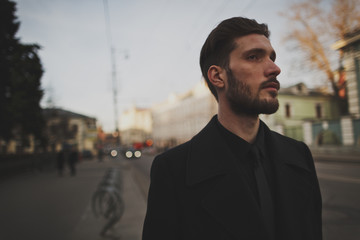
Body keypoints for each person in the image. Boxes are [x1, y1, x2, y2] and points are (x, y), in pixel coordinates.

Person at [142, 17, 322, 240]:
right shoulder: (173, 170)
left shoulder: (299, 154)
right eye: (254, 57)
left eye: (272, 57)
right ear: (218, 76)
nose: (275, 68)